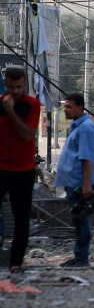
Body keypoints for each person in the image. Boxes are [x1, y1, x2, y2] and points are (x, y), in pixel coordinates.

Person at [0, 68, 40, 273]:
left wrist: (10, 111)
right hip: (1, 167)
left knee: (21, 217)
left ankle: (16, 262)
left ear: (24, 84)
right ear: (5, 84)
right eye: (11, 87)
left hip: (23, 169)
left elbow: (27, 135)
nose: (15, 91)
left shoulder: (32, 105)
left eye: (19, 87)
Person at [56, 93, 94, 268]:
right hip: (72, 181)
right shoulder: (77, 126)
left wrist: (87, 184)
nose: (65, 109)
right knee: (78, 220)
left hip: (80, 183)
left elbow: (87, 159)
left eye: (69, 106)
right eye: (65, 106)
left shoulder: (86, 128)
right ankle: (79, 255)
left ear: (80, 108)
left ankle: (81, 257)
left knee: (81, 220)